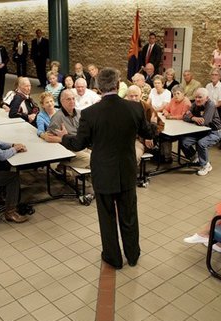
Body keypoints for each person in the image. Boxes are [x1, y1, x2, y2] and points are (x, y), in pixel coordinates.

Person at [50, 68, 154, 269]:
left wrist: (63, 136)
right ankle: (132, 255)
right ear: (117, 85)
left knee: (107, 217)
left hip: (103, 172)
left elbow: (79, 144)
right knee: (129, 215)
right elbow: (148, 133)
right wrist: (152, 121)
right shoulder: (135, 108)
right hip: (126, 170)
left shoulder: (90, 113)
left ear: (98, 86)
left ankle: (113, 257)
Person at [43, 89, 91, 170]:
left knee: (99, 156)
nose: (72, 101)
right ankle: (63, 165)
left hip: (81, 145)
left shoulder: (79, 113)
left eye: (73, 98)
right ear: (62, 102)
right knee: (90, 159)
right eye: (68, 99)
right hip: (69, 149)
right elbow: (48, 137)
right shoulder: (57, 117)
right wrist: (63, 138)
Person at [180, 88, 221, 176]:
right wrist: (193, 118)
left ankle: (206, 165)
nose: (197, 99)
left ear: (206, 98)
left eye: (200, 97)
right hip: (200, 131)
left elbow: (204, 122)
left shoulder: (210, 105)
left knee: (201, 143)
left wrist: (191, 116)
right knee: (184, 141)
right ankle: (195, 158)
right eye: (196, 97)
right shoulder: (195, 104)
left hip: (214, 132)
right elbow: (184, 116)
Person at [126, 85, 162, 165]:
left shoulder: (147, 108)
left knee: (132, 157)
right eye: (131, 96)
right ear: (127, 96)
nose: (134, 98)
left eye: (136, 96)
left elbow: (160, 124)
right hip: (124, 139)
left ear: (141, 95)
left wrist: (149, 136)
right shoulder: (123, 107)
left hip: (138, 141)